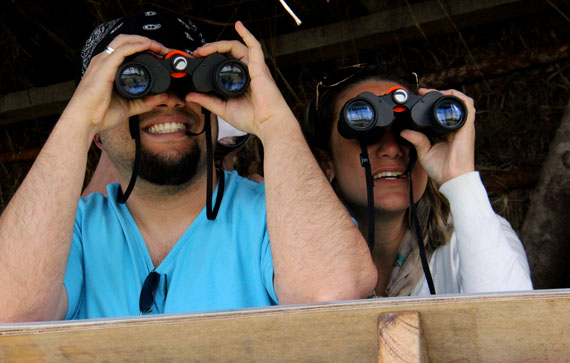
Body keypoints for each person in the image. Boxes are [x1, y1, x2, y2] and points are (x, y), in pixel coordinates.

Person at [0, 11, 377, 322]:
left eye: (187, 79)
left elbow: (334, 295)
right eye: (134, 82)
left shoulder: (275, 217)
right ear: (97, 131)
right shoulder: (70, 232)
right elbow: (10, 312)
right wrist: (76, 124)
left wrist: (274, 126)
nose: (167, 101)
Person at [302, 64, 533, 297]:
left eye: (407, 129)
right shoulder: (293, 250)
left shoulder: (471, 234)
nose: (392, 149)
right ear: (326, 160)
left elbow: (513, 322)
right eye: (366, 132)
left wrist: (460, 179)